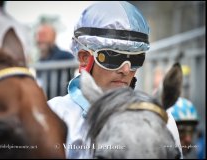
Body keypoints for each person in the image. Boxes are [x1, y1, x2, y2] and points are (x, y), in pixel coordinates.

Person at [48, 1, 183, 158]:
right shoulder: (54, 114)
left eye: (135, 58)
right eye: (113, 56)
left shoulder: (162, 119)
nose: (126, 70)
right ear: (84, 58)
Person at [35, 24, 75, 98]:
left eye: (44, 35)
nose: (40, 39)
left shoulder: (64, 56)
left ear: (53, 37)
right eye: (38, 35)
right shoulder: (40, 61)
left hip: (62, 103)